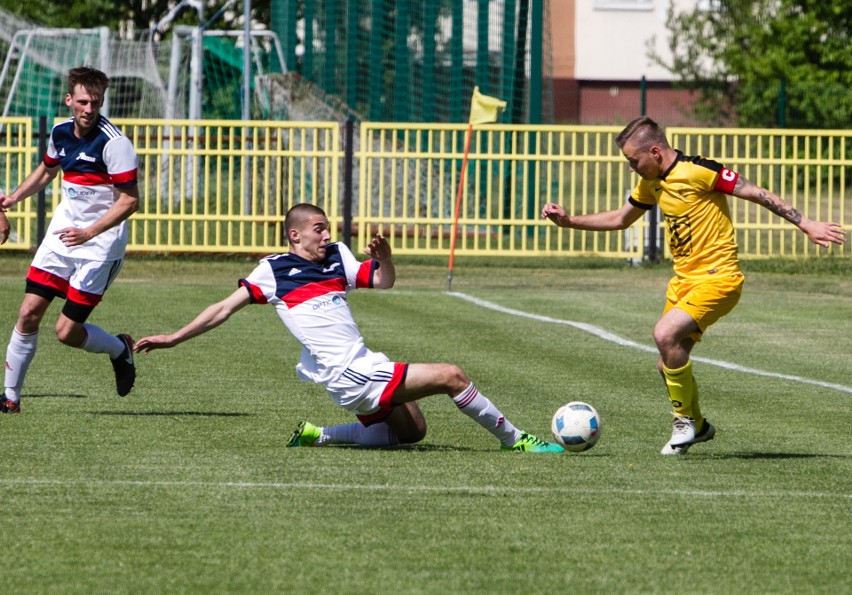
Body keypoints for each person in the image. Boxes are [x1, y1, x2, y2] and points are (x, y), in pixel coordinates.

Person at [134, 203, 563, 452]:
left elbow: (383, 281)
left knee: (411, 433)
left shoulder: (338, 256)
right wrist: (173, 338)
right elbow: (222, 309)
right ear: (294, 235)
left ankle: (317, 436)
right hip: (347, 371)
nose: (326, 235)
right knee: (452, 375)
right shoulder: (274, 270)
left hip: (359, 365)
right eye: (317, 229)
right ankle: (516, 440)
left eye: (327, 228)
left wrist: (388, 257)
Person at [541, 116, 846, 455]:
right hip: (684, 283)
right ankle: (698, 426)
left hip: (720, 278)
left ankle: (683, 422)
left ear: (655, 152)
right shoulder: (651, 183)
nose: (631, 168)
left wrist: (806, 224)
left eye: (633, 161)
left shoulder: (700, 171)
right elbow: (619, 219)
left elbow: (757, 192)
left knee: (664, 334)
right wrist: (568, 222)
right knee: (667, 361)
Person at [0, 66, 140, 414]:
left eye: (95, 102)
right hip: (62, 237)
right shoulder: (61, 133)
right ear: (69, 100)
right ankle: (10, 397)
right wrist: (15, 198)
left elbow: (130, 200)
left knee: (66, 332)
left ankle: (119, 349)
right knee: (29, 312)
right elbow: (48, 170)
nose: (89, 109)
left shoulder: (115, 143)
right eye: (82, 101)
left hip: (99, 246)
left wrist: (90, 232)